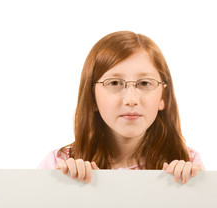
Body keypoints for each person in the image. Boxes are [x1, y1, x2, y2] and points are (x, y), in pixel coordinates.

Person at [37, 31, 205, 184]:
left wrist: (192, 190)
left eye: (145, 83)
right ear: (92, 97)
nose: (131, 100)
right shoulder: (58, 165)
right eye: (115, 83)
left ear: (163, 97)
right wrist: (57, 189)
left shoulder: (188, 164)